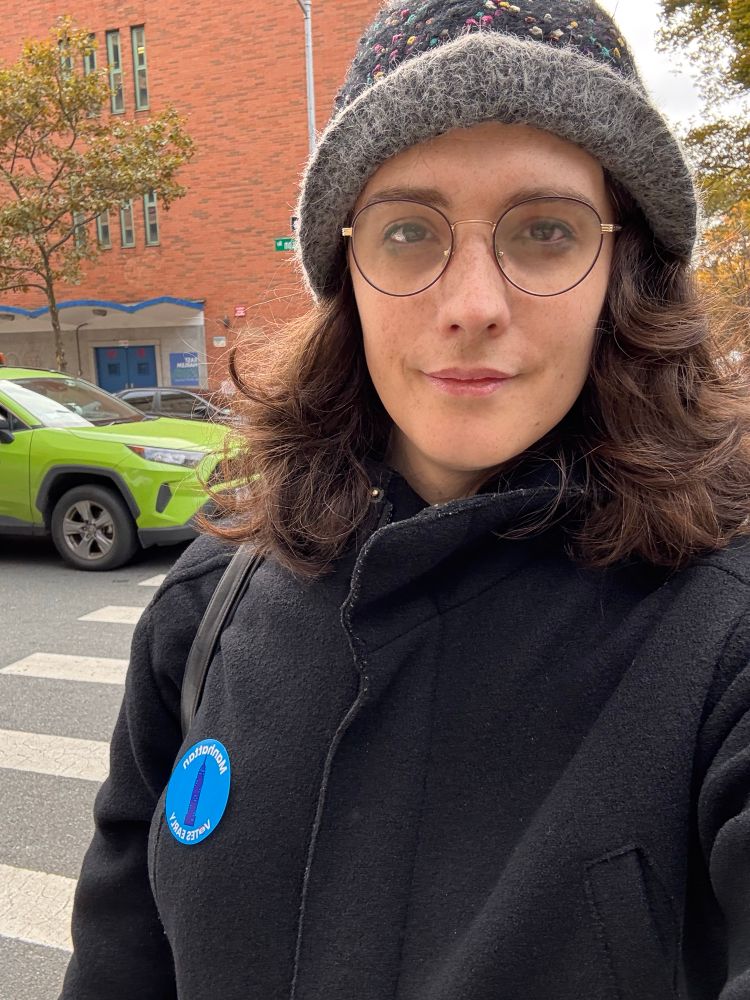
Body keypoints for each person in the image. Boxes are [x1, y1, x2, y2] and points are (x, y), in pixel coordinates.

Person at [61, 2, 750, 998]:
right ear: (351, 271)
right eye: (410, 230)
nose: (473, 300)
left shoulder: (721, 633)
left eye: (547, 231)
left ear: (624, 272)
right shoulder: (210, 602)